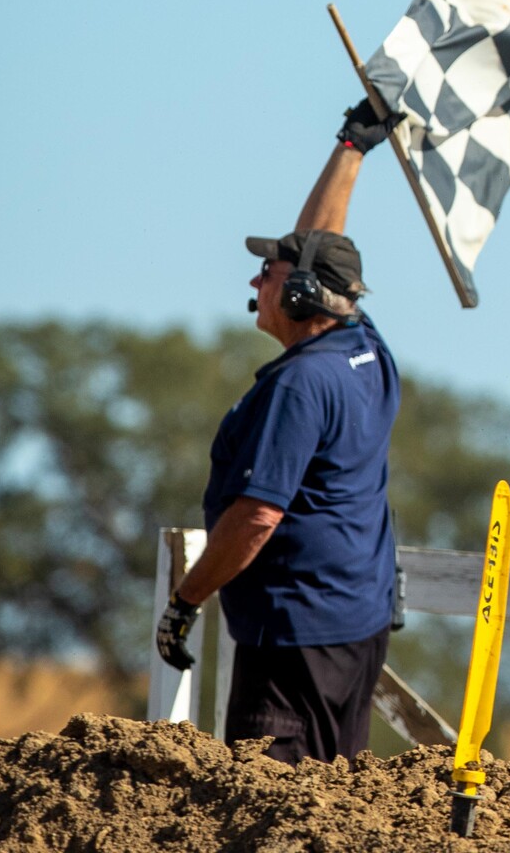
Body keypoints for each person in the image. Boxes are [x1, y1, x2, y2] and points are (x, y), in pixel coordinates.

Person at [153, 99, 402, 763]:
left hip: (292, 640)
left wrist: (186, 600)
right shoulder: (364, 348)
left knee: (272, 807)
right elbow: (319, 249)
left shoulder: (299, 385)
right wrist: (352, 147)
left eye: (268, 274)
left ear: (299, 299)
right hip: (355, 627)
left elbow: (257, 516)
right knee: (331, 807)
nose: (254, 281)